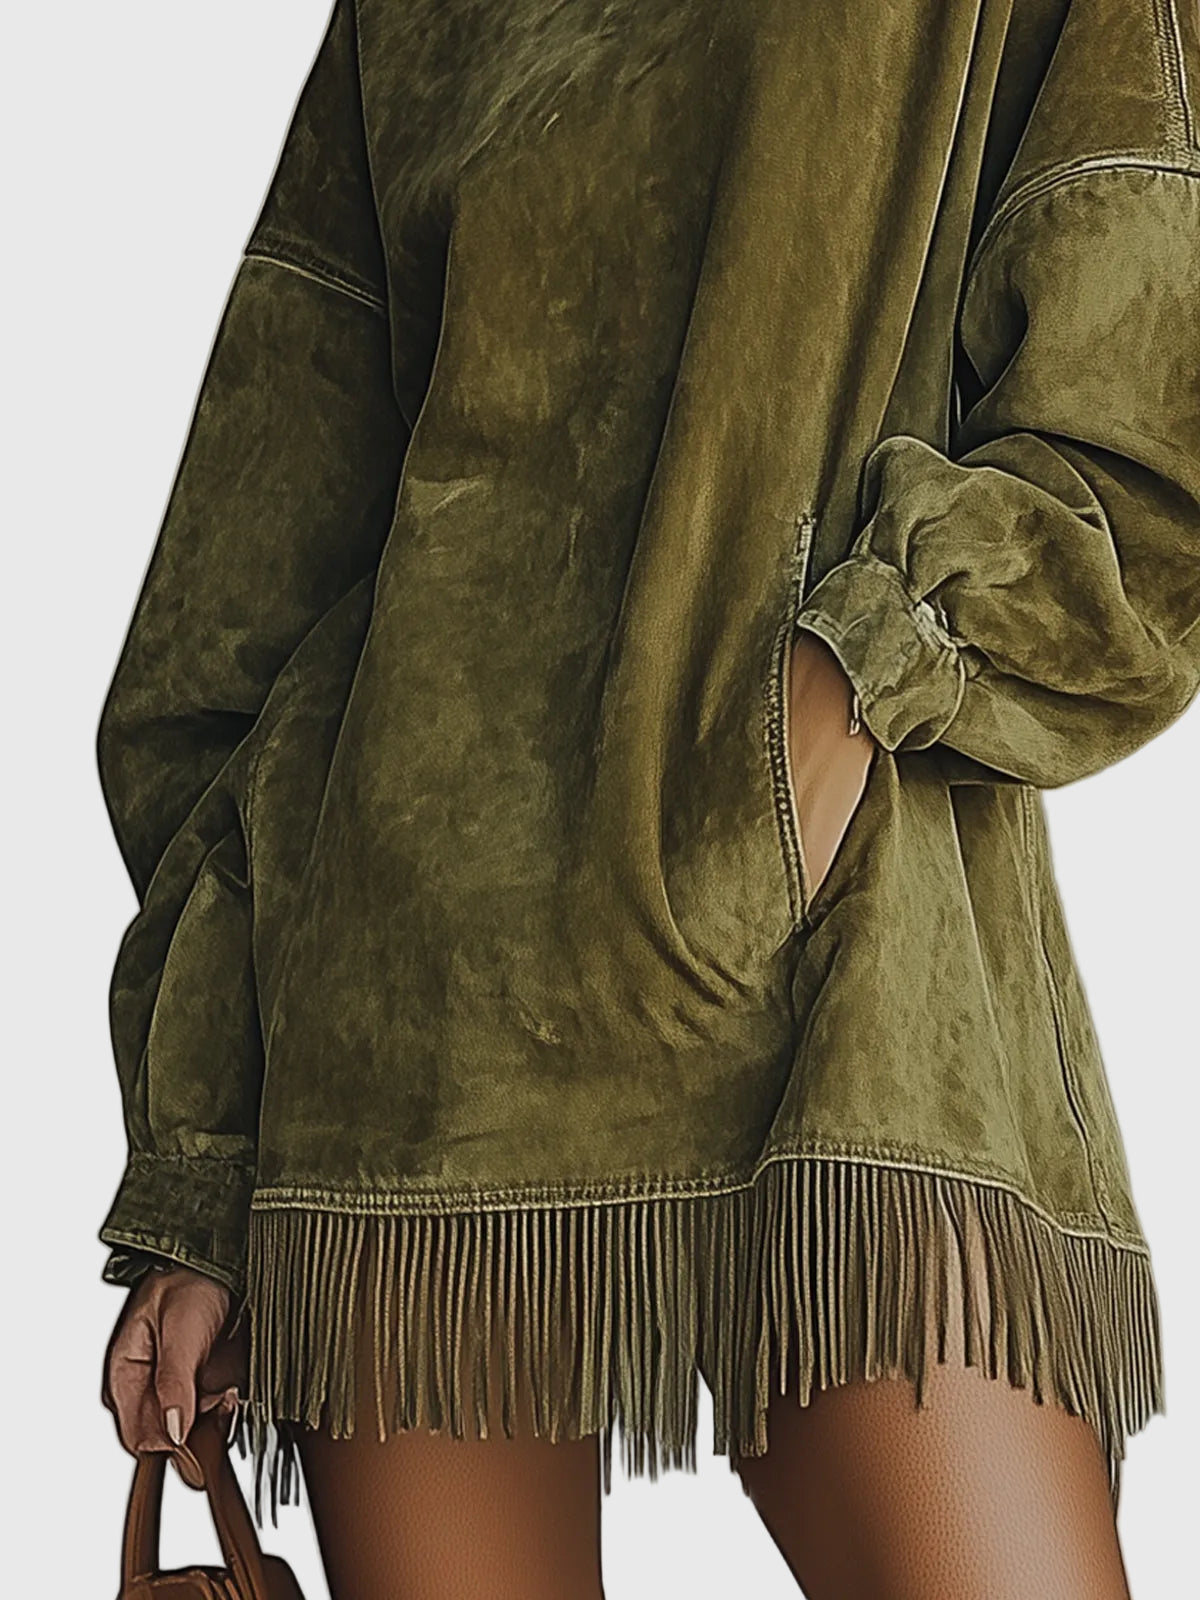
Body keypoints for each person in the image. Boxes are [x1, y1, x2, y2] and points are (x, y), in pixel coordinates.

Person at [98, 1, 1199, 1594]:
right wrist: (203, 1169)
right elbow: (244, 604)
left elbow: (1144, 424)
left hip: (846, 981)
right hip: (413, 1033)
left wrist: (852, 686)